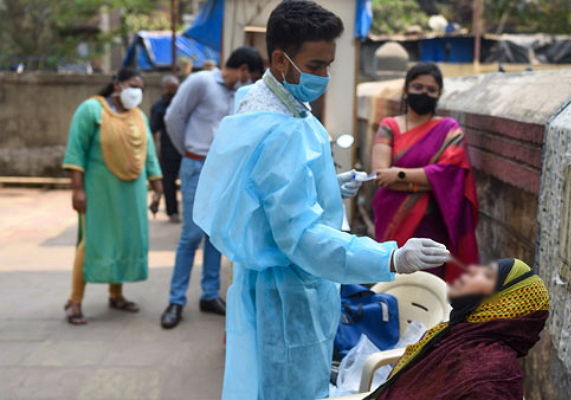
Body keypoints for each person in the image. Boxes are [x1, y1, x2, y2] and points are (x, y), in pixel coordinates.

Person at [192, 2, 450, 399]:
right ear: (280, 59)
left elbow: (269, 188)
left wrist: (326, 185)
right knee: (293, 389)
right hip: (290, 292)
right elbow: (304, 238)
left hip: (274, 284)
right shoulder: (280, 130)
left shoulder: (267, 100)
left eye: (328, 65)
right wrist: (390, 258)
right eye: (315, 66)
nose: (324, 76)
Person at [160, 46, 264, 329]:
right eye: (250, 76)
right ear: (243, 69)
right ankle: (176, 300)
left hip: (224, 170)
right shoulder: (201, 81)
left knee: (216, 235)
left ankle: (208, 295)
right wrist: (190, 152)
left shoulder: (237, 95)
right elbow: (173, 118)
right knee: (191, 236)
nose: (250, 83)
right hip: (196, 165)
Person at [364, 259, 550, 400]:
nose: (469, 275)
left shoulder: (493, 375)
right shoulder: (453, 336)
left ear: (505, 304)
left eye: (485, 277)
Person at [62, 68, 163, 325]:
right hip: (99, 192)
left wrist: (158, 186)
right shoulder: (91, 110)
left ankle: (116, 295)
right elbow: (75, 152)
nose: (136, 91)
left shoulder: (138, 116)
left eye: (140, 87)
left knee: (124, 240)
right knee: (93, 241)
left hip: (132, 192)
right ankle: (75, 301)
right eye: (132, 85)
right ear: (117, 85)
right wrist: (77, 189)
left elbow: (150, 155)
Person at [371, 62, 479, 282]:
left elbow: (451, 175)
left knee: (429, 285)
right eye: (418, 87)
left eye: (431, 90)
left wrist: (400, 175)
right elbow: (381, 175)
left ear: (439, 94)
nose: (424, 93)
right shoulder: (389, 125)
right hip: (392, 217)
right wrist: (428, 179)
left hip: (432, 223)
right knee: (392, 282)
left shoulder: (449, 129)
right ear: (406, 90)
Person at [150, 74, 182, 223]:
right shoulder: (159, 106)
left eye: (174, 88)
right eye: (170, 88)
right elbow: (153, 128)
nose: (172, 91)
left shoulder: (184, 104)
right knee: (168, 183)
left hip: (184, 149)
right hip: (168, 150)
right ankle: (172, 211)